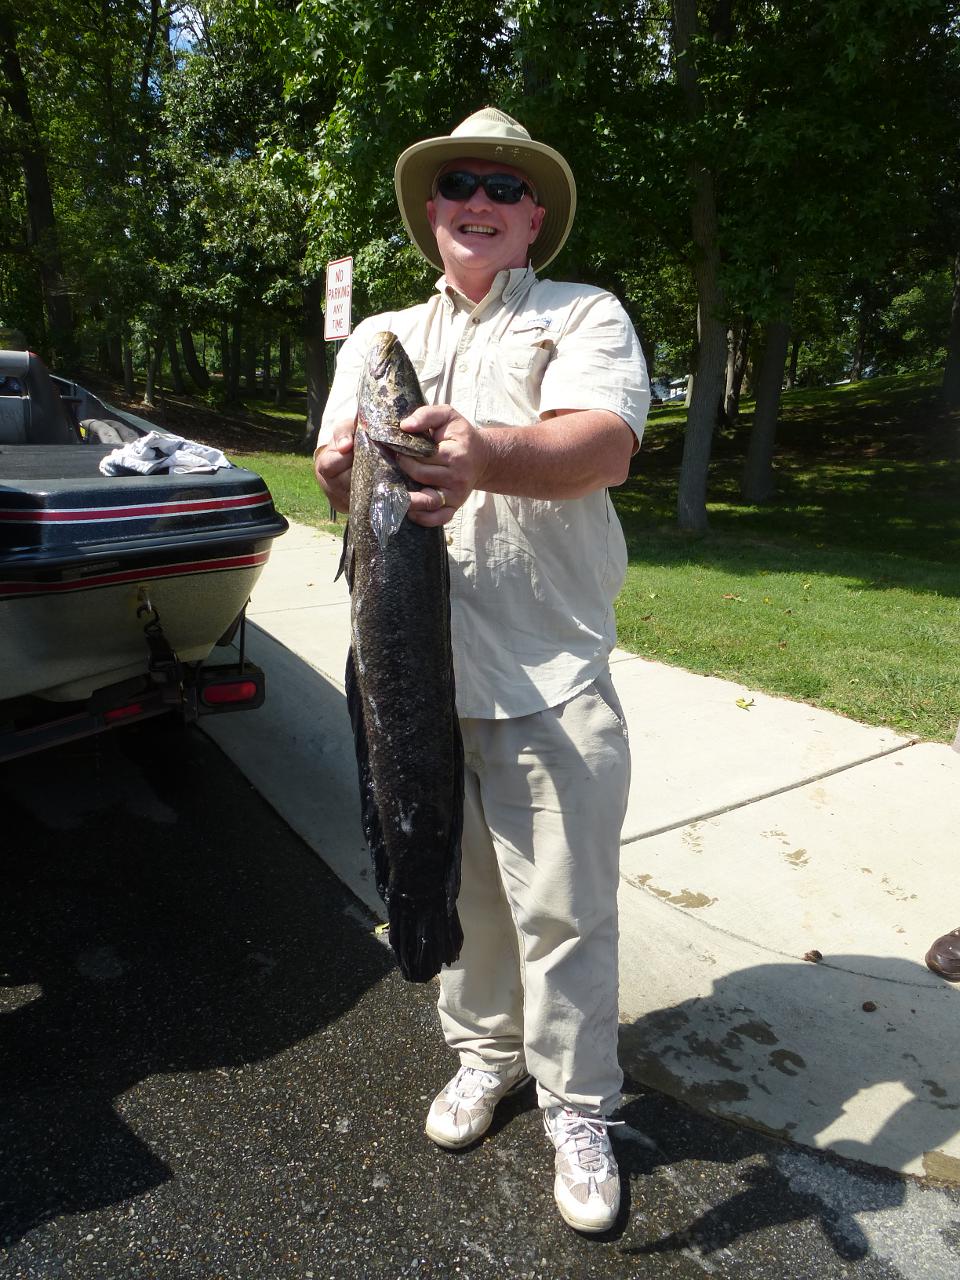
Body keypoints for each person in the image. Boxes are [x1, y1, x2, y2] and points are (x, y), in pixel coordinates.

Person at [314, 107, 649, 1233]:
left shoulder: (582, 313)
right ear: (431, 209)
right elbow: (341, 481)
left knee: (565, 910)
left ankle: (578, 1104)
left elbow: (604, 445)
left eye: (506, 188)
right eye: (460, 182)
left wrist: (486, 454)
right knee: (456, 889)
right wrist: (335, 473)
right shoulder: (380, 340)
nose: (480, 201)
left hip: (548, 670)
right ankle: (484, 1053)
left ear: (535, 216)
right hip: (414, 675)